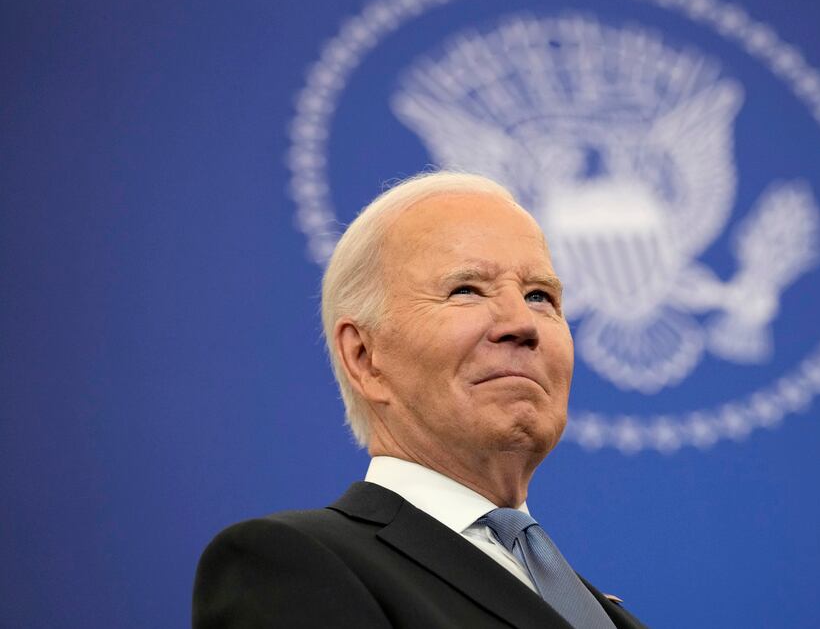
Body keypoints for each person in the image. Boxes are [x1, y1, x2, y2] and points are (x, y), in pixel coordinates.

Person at [193, 171, 648, 628]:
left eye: (539, 296)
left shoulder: (601, 611)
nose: (522, 323)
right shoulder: (290, 566)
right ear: (365, 357)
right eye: (466, 290)